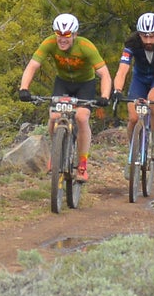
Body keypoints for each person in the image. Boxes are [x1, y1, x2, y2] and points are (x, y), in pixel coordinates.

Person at [17, 13, 111, 180]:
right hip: (63, 82)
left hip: (85, 84)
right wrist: (24, 88)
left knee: (82, 118)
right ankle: (57, 152)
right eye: (58, 34)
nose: (62, 39)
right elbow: (33, 65)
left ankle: (82, 164)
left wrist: (104, 96)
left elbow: (104, 73)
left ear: (74, 34)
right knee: (54, 116)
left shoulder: (85, 46)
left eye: (66, 35)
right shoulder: (49, 43)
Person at [112, 11, 154, 151]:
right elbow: (122, 71)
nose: (148, 40)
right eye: (144, 36)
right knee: (134, 118)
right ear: (139, 34)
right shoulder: (131, 45)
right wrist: (117, 90)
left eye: (152, 36)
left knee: (153, 102)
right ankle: (133, 151)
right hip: (139, 79)